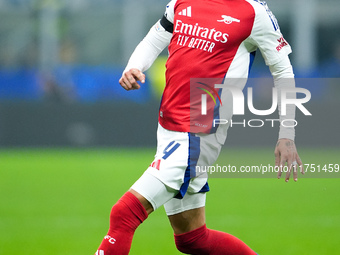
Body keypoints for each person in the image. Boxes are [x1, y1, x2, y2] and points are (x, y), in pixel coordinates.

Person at [95, 0, 304, 254]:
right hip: (168, 127)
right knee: (192, 239)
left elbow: (283, 71)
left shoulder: (254, 12)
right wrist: (134, 67)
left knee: (123, 214)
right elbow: (155, 37)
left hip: (198, 133)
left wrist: (287, 134)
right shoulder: (181, 2)